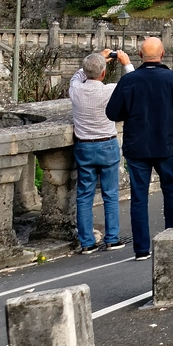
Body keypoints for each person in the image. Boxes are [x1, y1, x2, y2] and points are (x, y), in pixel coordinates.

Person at [104, 36, 173, 259]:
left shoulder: (129, 81)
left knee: (139, 197)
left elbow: (112, 113)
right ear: (162, 55)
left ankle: (141, 249)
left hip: (138, 145)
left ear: (140, 56)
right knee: (170, 190)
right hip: (166, 143)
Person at [70, 48, 131, 253]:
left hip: (84, 145)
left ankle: (87, 242)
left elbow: (78, 75)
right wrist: (125, 62)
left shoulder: (76, 89)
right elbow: (132, 83)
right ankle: (112, 238)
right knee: (110, 193)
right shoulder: (109, 90)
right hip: (107, 143)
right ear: (104, 73)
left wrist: (96, 59)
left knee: (84, 195)